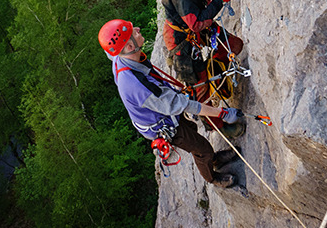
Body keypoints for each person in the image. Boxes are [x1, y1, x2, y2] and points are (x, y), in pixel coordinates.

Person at [99, 19, 240, 188]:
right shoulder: (136, 85)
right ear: (130, 47)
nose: (138, 29)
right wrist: (223, 113)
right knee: (201, 149)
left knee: (191, 129)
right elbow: (183, 105)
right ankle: (213, 177)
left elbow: (111, 51)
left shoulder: (120, 55)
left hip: (159, 109)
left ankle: (213, 160)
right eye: (134, 32)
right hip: (160, 123)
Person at [161, 0, 245, 138]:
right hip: (182, 42)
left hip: (190, 27)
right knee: (200, 90)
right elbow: (196, 23)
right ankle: (218, 125)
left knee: (233, 45)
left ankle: (217, 76)